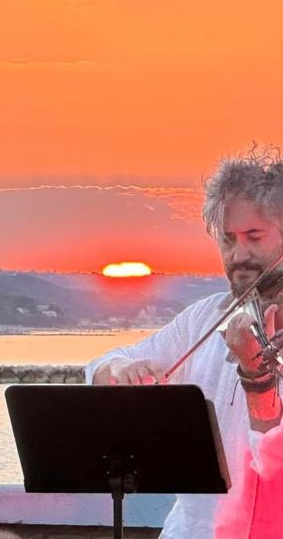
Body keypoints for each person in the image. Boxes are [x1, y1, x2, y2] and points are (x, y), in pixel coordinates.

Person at [87, 146, 283, 538]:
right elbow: (99, 365)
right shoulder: (204, 317)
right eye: (228, 240)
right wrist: (122, 370)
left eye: (254, 237)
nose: (238, 254)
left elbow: (272, 468)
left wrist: (256, 372)